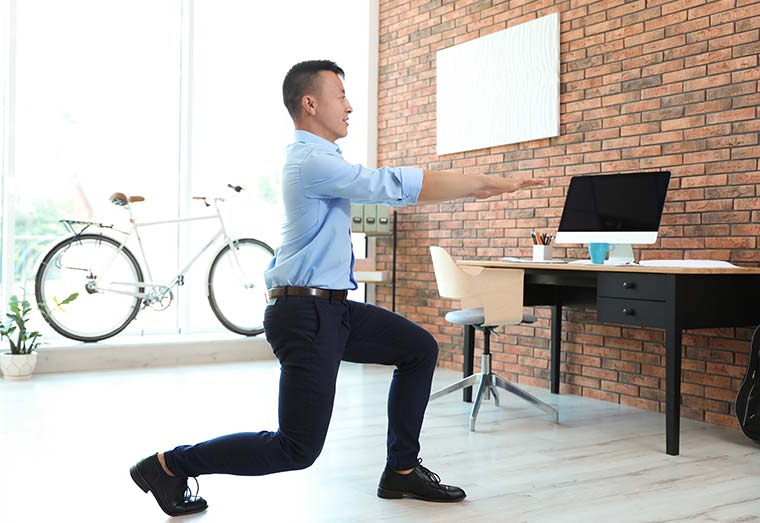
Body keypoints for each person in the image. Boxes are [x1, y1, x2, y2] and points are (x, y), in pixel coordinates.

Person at [129, 59, 545, 517]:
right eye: (341, 95)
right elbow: (390, 184)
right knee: (296, 449)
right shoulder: (312, 162)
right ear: (310, 104)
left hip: (334, 310)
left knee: (418, 348)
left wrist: (479, 187)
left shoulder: (323, 160)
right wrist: (485, 183)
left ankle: (401, 471)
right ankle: (168, 466)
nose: (349, 106)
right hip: (305, 316)